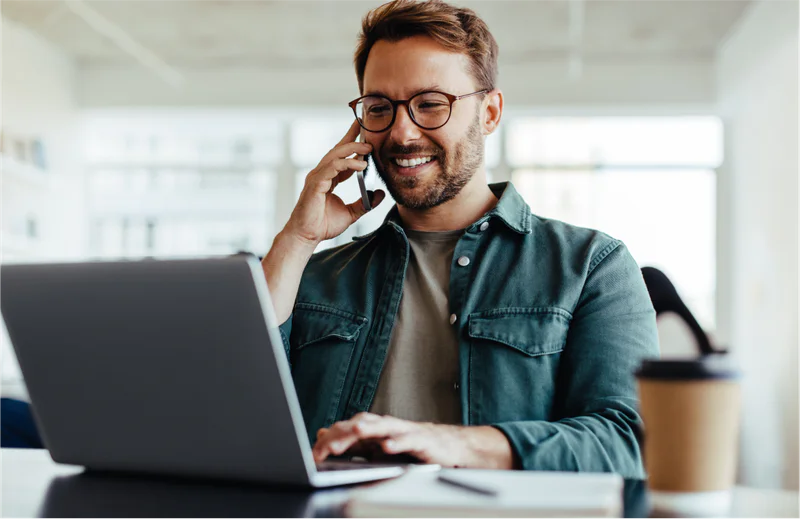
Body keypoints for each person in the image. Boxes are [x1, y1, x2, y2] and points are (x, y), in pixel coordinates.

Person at [262, 0, 659, 478]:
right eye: (379, 108)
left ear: (489, 112)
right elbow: (232, 412)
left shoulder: (592, 266)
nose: (402, 133)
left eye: (430, 104)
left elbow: (628, 444)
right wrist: (299, 238)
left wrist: (448, 442)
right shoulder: (315, 276)